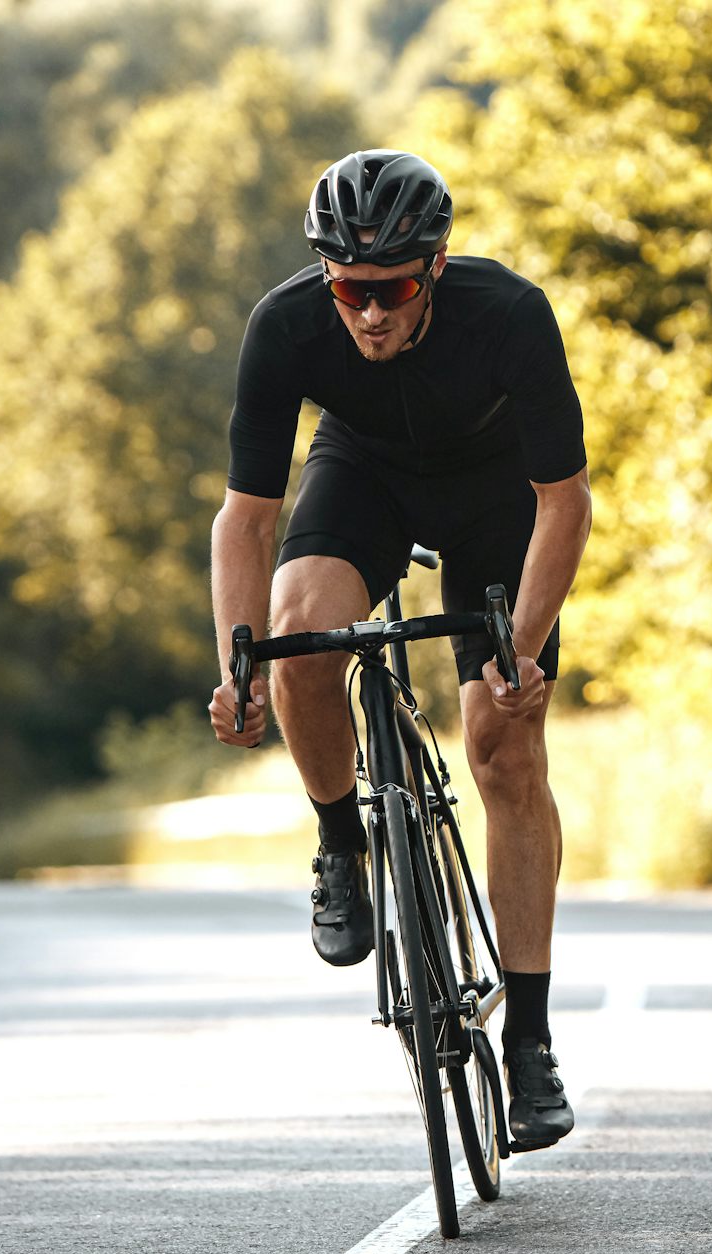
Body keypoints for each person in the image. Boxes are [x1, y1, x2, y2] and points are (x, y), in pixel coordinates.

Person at [206, 150, 588, 1152]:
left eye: (395, 291)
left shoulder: (510, 315)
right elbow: (246, 521)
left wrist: (521, 650)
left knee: (505, 746)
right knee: (300, 632)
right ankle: (342, 840)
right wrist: (238, 666)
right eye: (350, 291)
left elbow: (564, 503)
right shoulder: (285, 326)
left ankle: (531, 1041)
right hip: (365, 478)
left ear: (436, 269)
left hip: (496, 496)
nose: (371, 314)